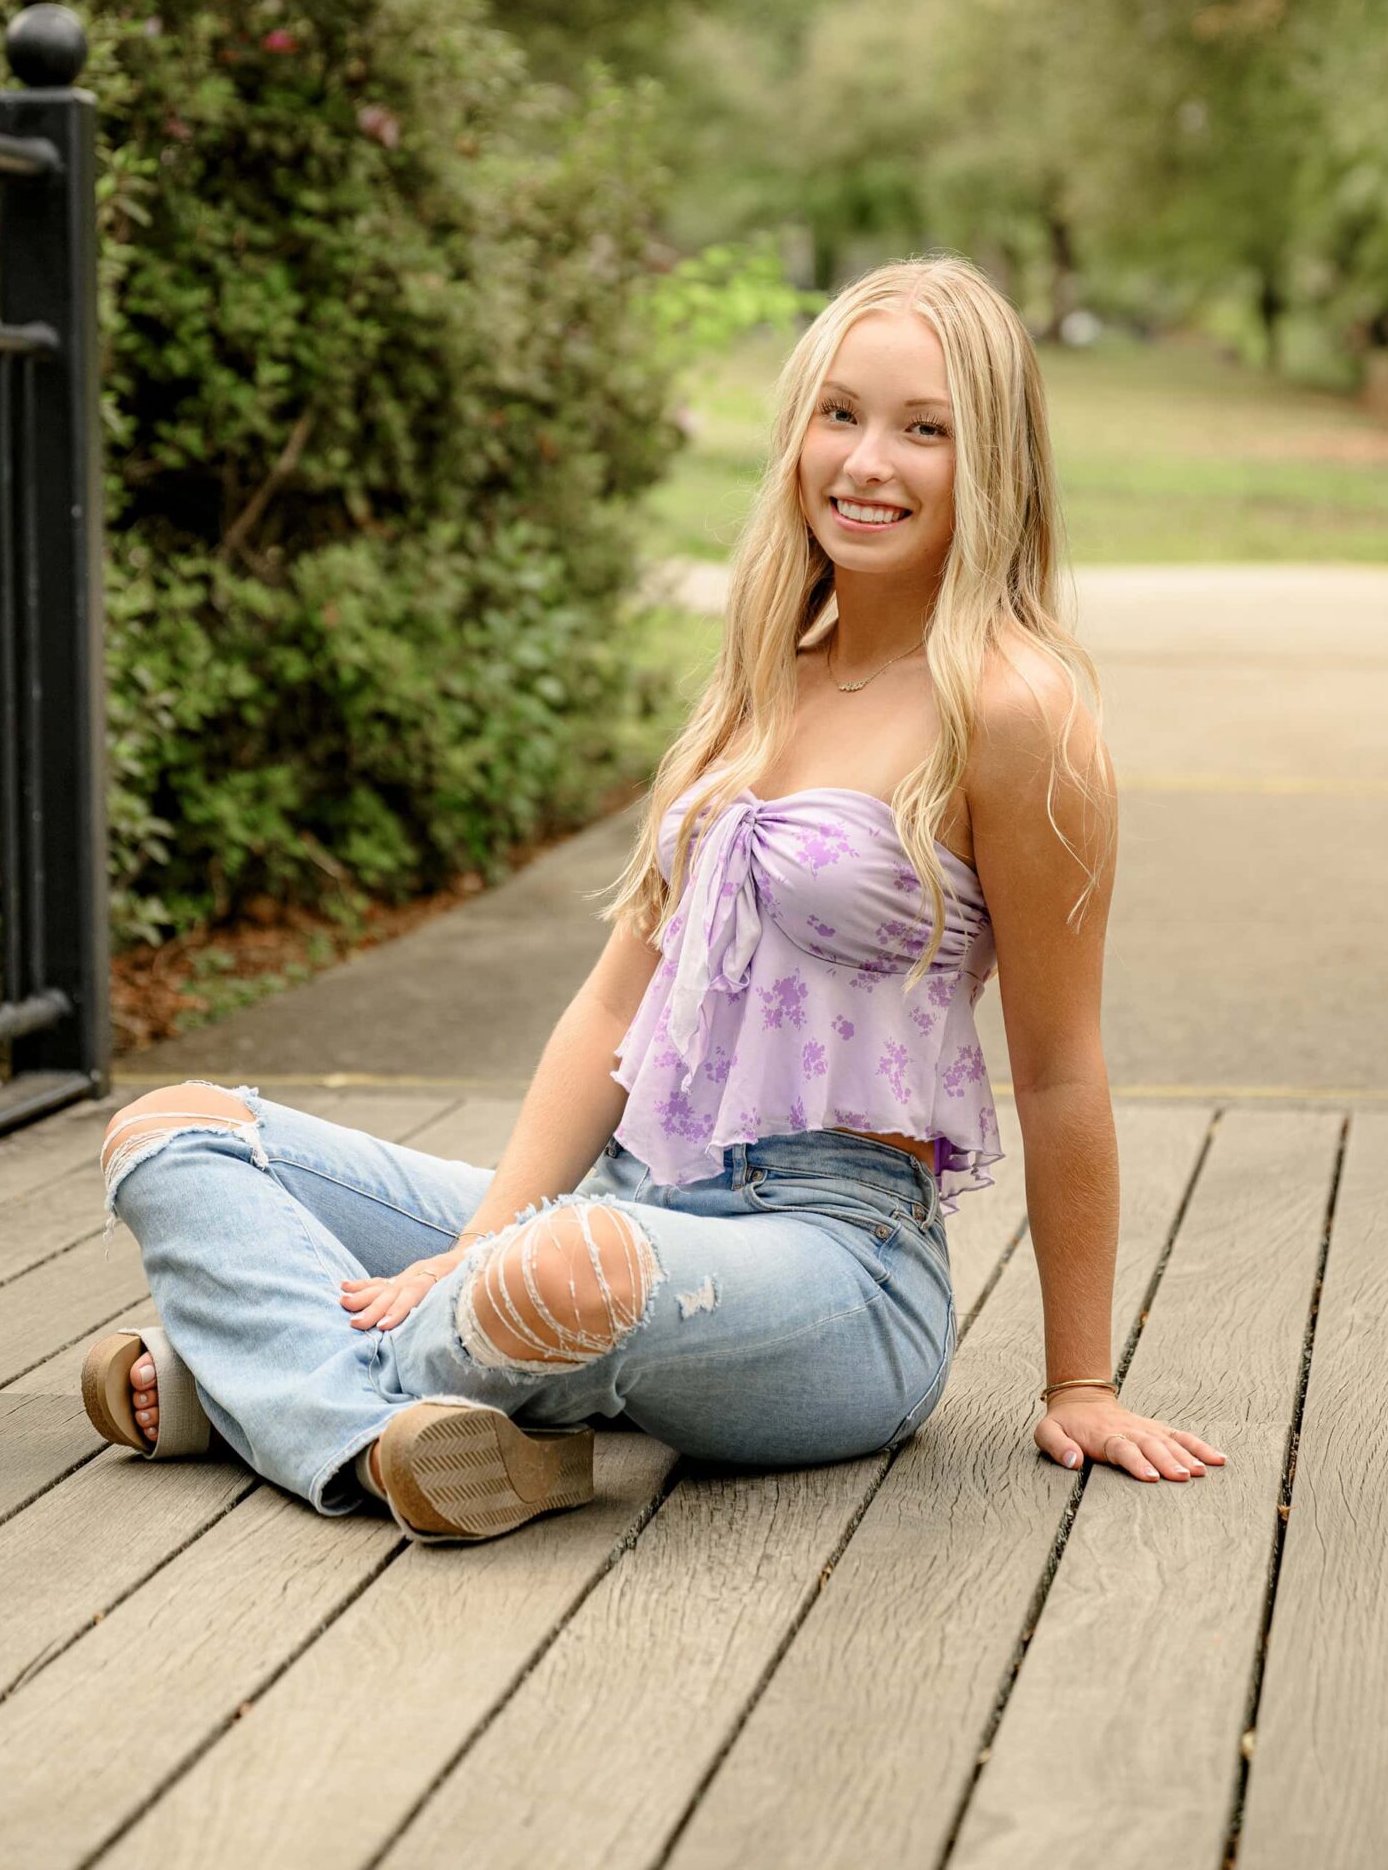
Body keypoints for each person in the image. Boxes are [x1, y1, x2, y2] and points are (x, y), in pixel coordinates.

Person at [84, 255, 1224, 1542]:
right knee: (177, 1130)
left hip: (836, 1268)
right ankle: (377, 1429)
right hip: (630, 1198)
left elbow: (1061, 1065)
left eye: (924, 430)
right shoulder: (757, 682)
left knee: (562, 1271)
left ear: (993, 463)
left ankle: (242, 1379)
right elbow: (609, 1007)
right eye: (838, 413)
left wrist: (1081, 1381)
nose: (864, 461)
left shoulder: (1019, 713)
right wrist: (480, 1236)